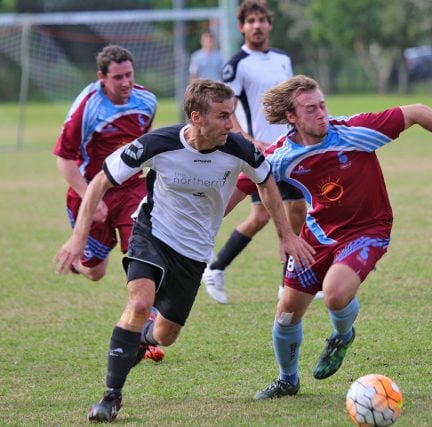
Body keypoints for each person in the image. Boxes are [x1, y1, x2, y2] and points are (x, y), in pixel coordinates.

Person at [53, 79, 314, 422]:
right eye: (222, 116)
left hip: (194, 251)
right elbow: (101, 181)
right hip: (153, 233)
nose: (230, 124)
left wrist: (285, 235)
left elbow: (266, 183)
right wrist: (77, 237)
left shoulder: (239, 149)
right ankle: (110, 397)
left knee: (166, 335)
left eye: (232, 115)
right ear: (196, 117)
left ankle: (141, 339)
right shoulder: (158, 143)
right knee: (139, 303)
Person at [233, 75, 432, 400]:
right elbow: (247, 184)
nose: (321, 113)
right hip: (317, 234)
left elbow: (418, 111)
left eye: (322, 105)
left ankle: (342, 335)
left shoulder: (355, 132)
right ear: (291, 117)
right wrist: (206, 223)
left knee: (335, 294)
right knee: (286, 312)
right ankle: (287, 380)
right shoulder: (282, 156)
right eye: (310, 109)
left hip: (368, 229)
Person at [202, 0, 311, 304]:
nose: (257, 25)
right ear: (241, 27)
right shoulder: (236, 64)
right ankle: (213, 265)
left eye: (262, 19)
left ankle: (287, 284)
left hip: (288, 149)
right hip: (256, 153)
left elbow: (290, 102)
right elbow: (228, 105)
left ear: (270, 25)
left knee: (295, 212)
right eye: (251, 21)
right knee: (251, 214)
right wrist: (245, 137)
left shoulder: (282, 60)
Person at [53, 45, 157, 282]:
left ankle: (146, 311)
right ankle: (79, 265)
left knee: (142, 249)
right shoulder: (87, 107)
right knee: (95, 272)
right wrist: (92, 196)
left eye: (129, 75)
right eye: (118, 77)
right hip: (91, 189)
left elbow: (144, 140)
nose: (125, 83)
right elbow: (64, 158)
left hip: (131, 188)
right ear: (102, 77)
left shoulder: (147, 100)